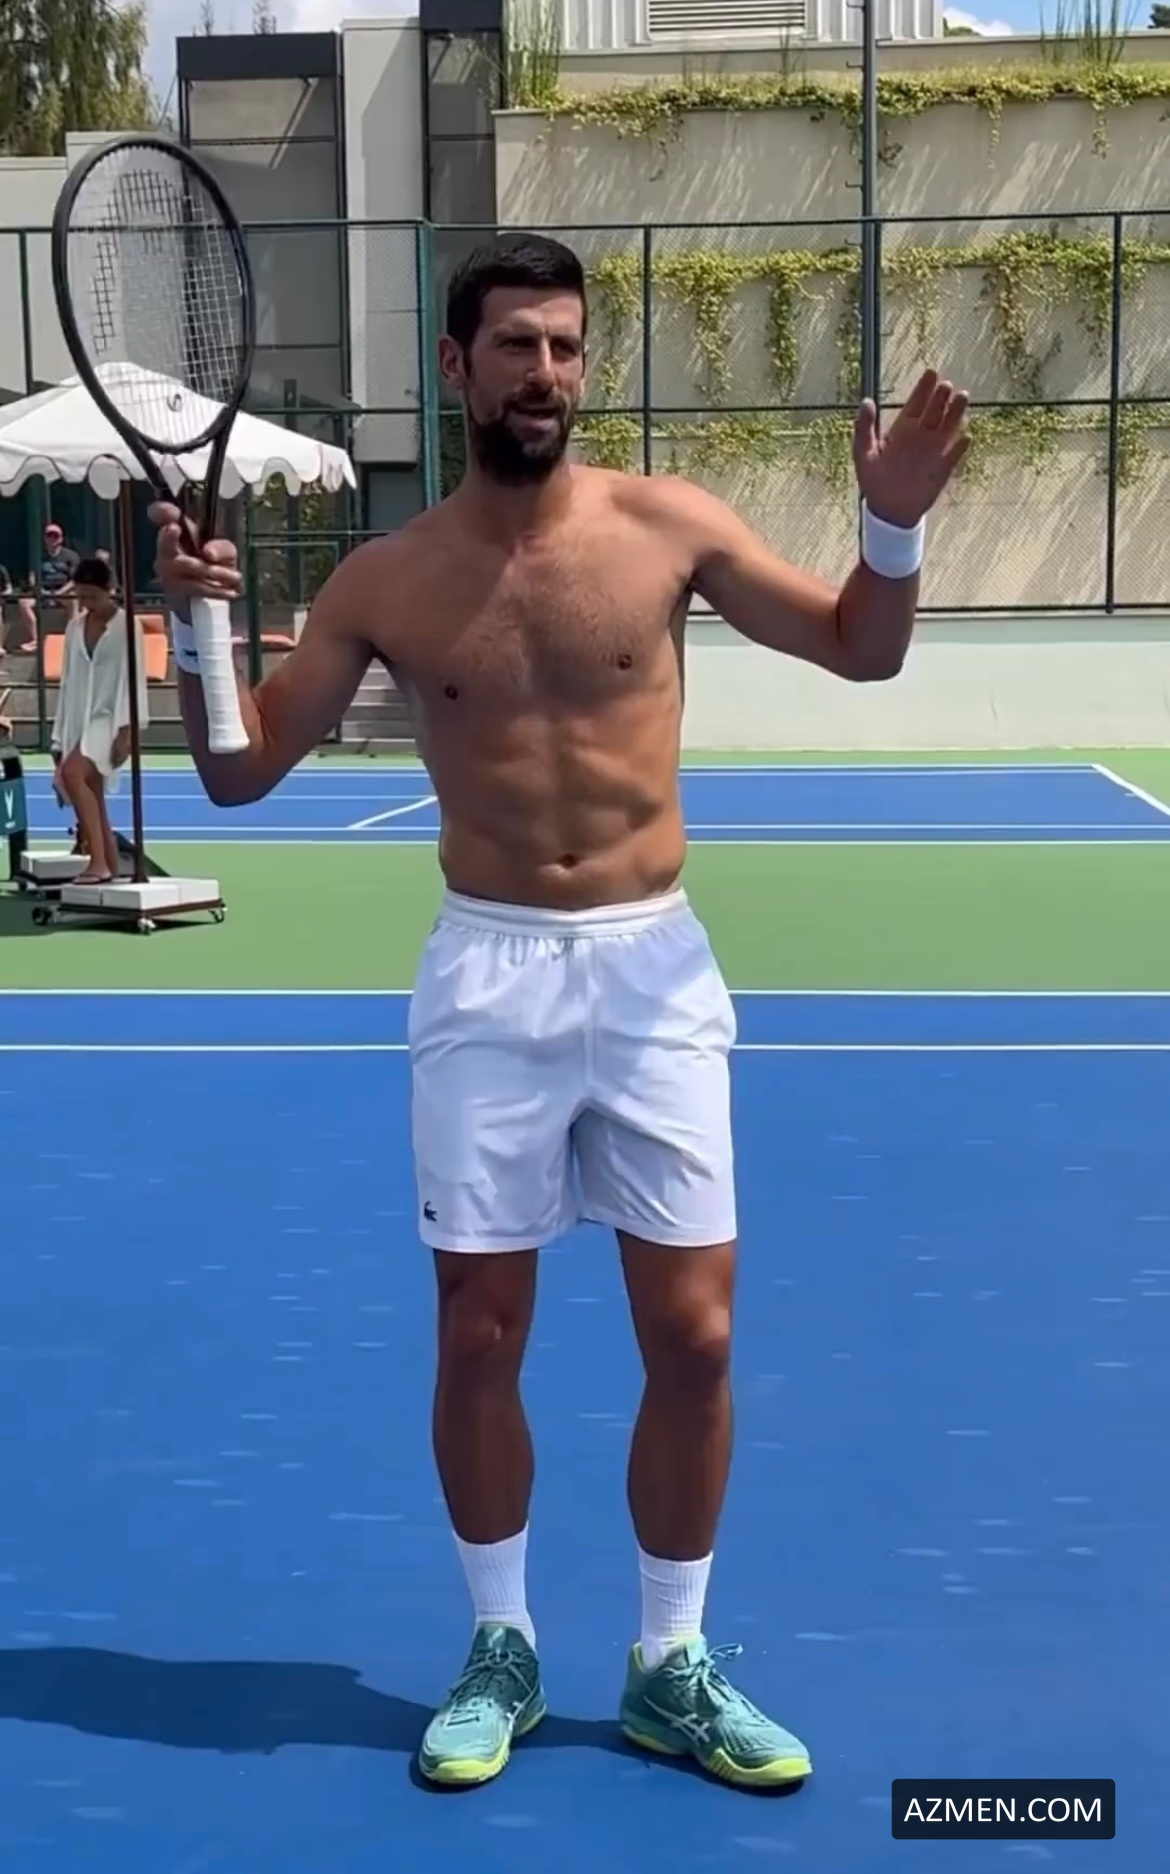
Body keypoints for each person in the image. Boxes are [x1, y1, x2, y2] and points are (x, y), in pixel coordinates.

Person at [150, 233, 969, 1793]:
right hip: (488, 976)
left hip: (654, 973)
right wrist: (194, 623)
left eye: (566, 346)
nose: (546, 372)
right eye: (517, 345)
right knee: (478, 1333)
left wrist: (891, 521)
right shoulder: (384, 579)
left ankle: (670, 1661)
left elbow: (862, 647)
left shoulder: (667, 527)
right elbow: (236, 769)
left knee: (696, 1337)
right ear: (454, 365)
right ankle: (501, 1643)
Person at [50, 555, 147, 885]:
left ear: (110, 590)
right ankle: (111, 864)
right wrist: (58, 738)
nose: (87, 603)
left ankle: (98, 862)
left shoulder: (127, 626)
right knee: (90, 790)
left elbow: (134, 680)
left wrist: (126, 732)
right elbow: (67, 682)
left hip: (110, 719)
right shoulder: (74, 627)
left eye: (93, 595)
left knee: (73, 774)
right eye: (82, 596)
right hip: (79, 719)